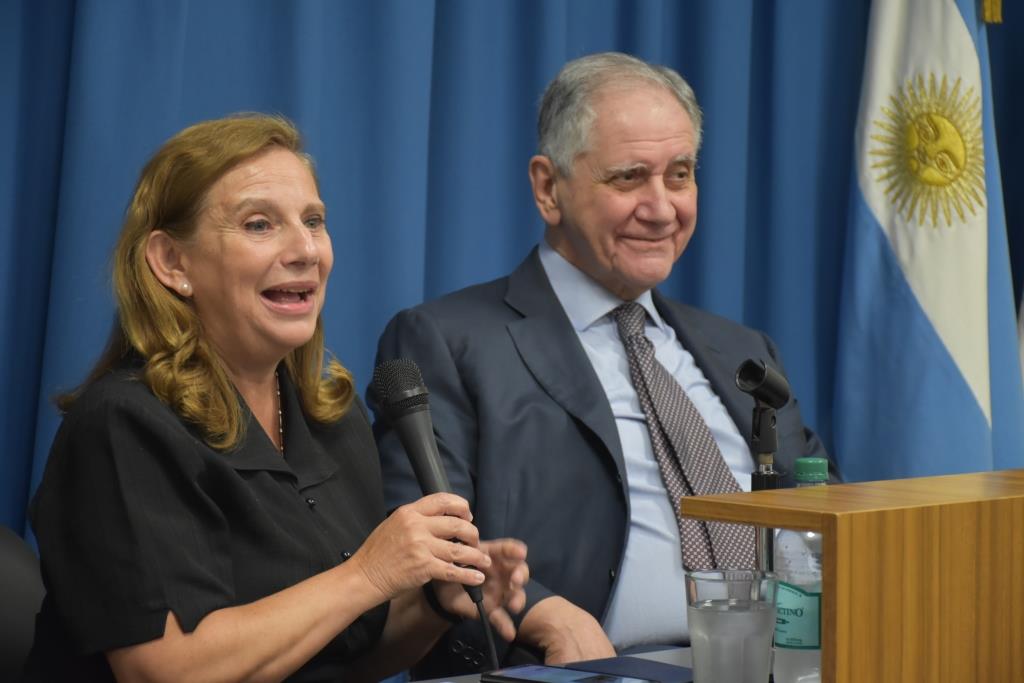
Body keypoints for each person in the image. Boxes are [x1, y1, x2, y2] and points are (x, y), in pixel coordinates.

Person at [372, 52, 838, 676]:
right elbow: (434, 553)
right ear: (548, 187)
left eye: (679, 175)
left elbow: (827, 516)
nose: (662, 207)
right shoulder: (447, 341)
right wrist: (545, 612)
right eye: (628, 178)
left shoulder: (744, 351)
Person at [23, 114, 529, 683]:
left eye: (314, 221)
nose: (305, 250)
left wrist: (434, 603)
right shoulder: (123, 426)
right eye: (260, 225)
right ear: (171, 263)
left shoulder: (330, 417)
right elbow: (164, 671)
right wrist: (368, 574)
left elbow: (348, 657)